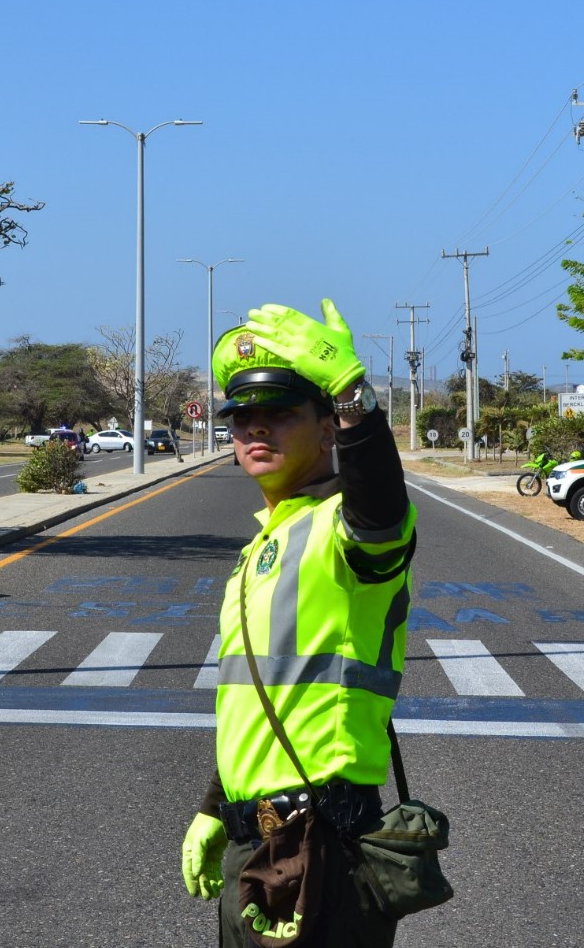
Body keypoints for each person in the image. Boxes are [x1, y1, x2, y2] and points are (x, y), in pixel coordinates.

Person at [181, 299, 416, 947]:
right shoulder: (261, 546)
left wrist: (354, 395)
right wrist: (211, 809)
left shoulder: (344, 528)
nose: (257, 428)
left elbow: (382, 511)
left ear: (326, 429)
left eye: (280, 412)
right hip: (252, 845)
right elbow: (260, 705)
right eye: (243, 416)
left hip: (321, 848)